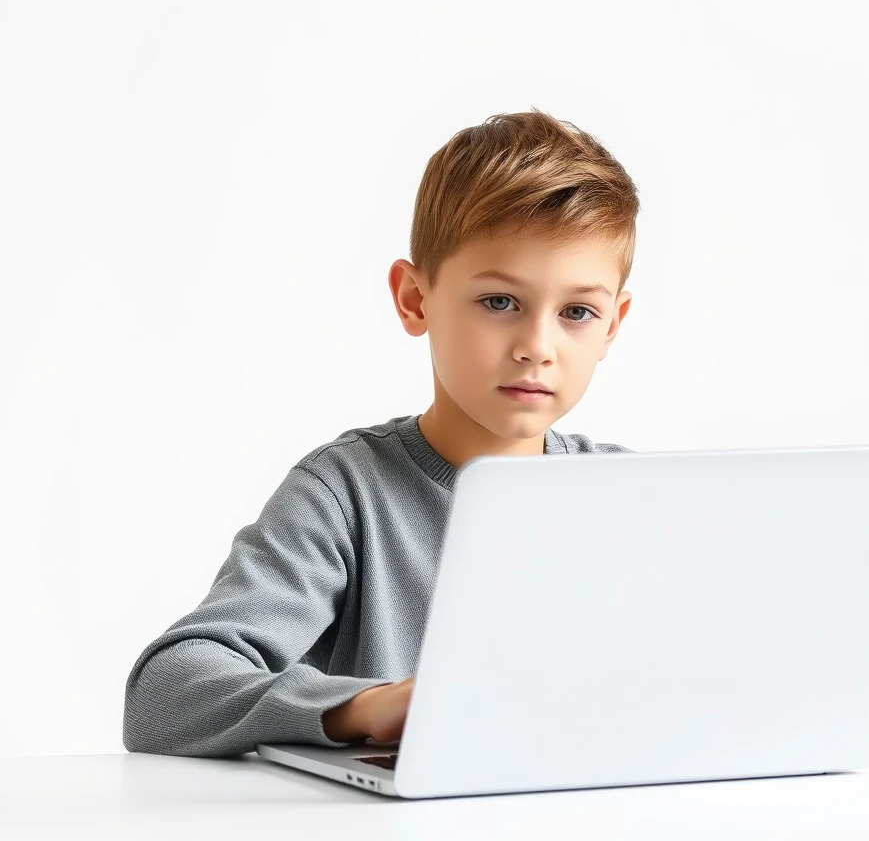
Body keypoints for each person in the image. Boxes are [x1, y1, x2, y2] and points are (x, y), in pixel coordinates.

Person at [122, 107, 640, 757]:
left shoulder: (630, 495)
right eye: (500, 302)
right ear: (414, 299)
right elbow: (162, 696)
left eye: (576, 312)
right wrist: (362, 707)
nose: (537, 347)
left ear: (613, 325)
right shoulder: (343, 494)